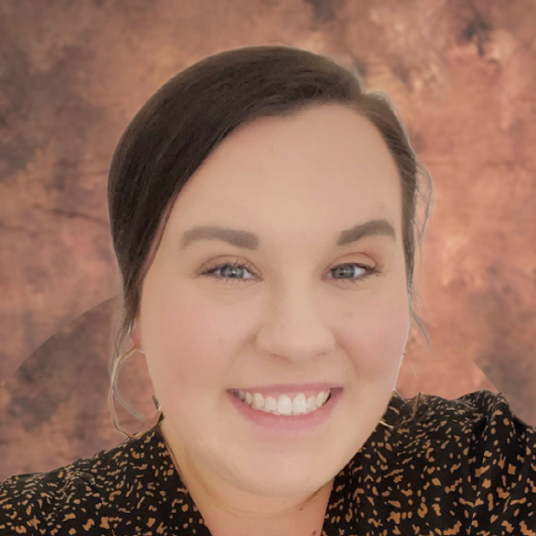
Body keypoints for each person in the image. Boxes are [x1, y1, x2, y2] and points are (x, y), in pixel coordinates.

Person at [1, 44, 534, 536]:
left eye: (349, 270)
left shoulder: (490, 470)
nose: (296, 340)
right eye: (231, 269)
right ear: (137, 300)